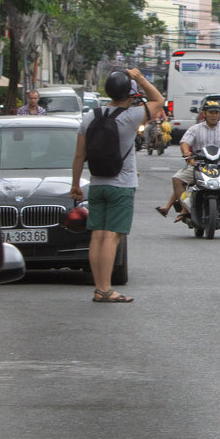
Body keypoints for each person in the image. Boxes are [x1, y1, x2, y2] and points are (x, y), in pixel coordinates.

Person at [69, 68, 165, 303]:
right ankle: (106, 290)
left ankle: (99, 288)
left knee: (97, 237)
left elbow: (79, 156)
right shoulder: (131, 117)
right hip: (121, 185)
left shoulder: (90, 116)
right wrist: (140, 77)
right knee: (112, 236)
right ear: (129, 94)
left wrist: (75, 185)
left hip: (98, 183)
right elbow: (158, 100)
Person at [156, 99, 220, 223]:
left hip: (219, 168)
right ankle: (185, 207)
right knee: (177, 179)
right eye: (211, 112)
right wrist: (186, 152)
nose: (214, 115)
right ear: (204, 114)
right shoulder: (195, 129)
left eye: (216, 112)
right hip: (198, 167)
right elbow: (185, 143)